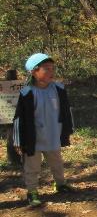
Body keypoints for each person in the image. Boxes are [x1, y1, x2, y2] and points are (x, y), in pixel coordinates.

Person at [13, 53, 74, 207]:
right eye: (46, 69)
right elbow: (19, 118)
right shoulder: (27, 93)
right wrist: (18, 140)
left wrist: (68, 129)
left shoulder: (59, 89)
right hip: (34, 138)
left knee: (56, 161)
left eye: (52, 68)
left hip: (53, 133)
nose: (51, 72)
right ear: (34, 71)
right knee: (32, 166)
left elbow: (66, 111)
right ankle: (32, 191)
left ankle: (60, 184)